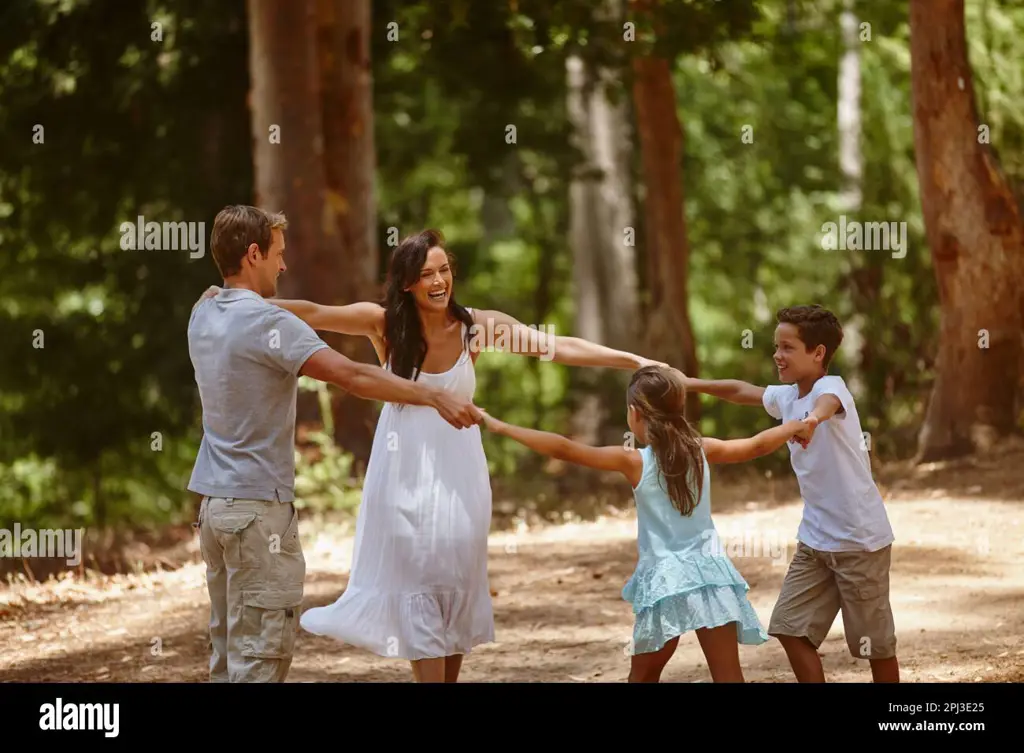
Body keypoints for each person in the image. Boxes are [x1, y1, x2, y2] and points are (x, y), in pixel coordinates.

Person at [226, 227, 664, 683]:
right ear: (407, 283)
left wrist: (632, 361)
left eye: (445, 270)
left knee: (453, 581)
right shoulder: (384, 325)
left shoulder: (477, 327)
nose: (439, 281)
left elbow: (555, 347)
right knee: (417, 579)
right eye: (427, 274)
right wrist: (232, 299)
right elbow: (314, 313)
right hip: (402, 472)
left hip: (461, 475)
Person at [187, 207, 482, 683]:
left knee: (226, 655)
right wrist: (432, 394)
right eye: (278, 256)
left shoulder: (203, 313)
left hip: (214, 508)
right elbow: (352, 376)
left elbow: (301, 315)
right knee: (260, 661)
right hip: (258, 513)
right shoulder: (267, 325)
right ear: (254, 254)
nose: (283, 267)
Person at [480, 365, 812, 682]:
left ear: (635, 413)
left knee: (642, 677)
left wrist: (500, 426)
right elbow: (755, 444)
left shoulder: (634, 461)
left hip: (665, 583)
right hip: (711, 575)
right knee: (729, 677)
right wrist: (794, 426)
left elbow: (565, 449)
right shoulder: (701, 450)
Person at [682, 304, 899, 683]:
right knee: (789, 627)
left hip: (859, 541)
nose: (777, 355)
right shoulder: (786, 398)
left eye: (787, 347)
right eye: (776, 346)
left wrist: (811, 421)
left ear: (818, 353)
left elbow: (825, 406)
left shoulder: (831, 389)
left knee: (874, 646)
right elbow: (739, 390)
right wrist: (686, 383)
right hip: (815, 540)